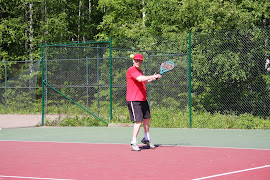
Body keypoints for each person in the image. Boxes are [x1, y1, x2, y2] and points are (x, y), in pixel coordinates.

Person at [126, 53, 162, 151]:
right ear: (133, 61)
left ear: (142, 62)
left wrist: (152, 78)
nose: (138, 62)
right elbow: (140, 78)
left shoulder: (139, 71)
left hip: (142, 99)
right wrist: (151, 76)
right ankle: (133, 142)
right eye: (136, 60)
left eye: (140, 61)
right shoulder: (131, 70)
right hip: (134, 99)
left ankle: (146, 138)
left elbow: (143, 81)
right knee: (139, 120)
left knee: (147, 118)